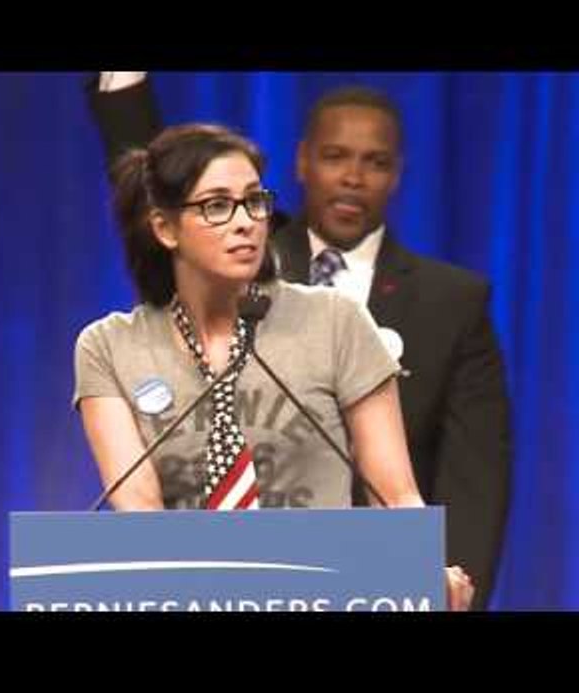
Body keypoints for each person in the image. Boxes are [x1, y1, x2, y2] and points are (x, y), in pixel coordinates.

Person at [87, 73, 510, 611]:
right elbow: (164, 175)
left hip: (363, 588)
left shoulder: (444, 302)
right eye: (336, 156)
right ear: (303, 160)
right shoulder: (221, 266)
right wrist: (124, 87)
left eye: (375, 162)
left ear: (399, 174)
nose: (354, 178)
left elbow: (467, 479)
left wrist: (438, 587)